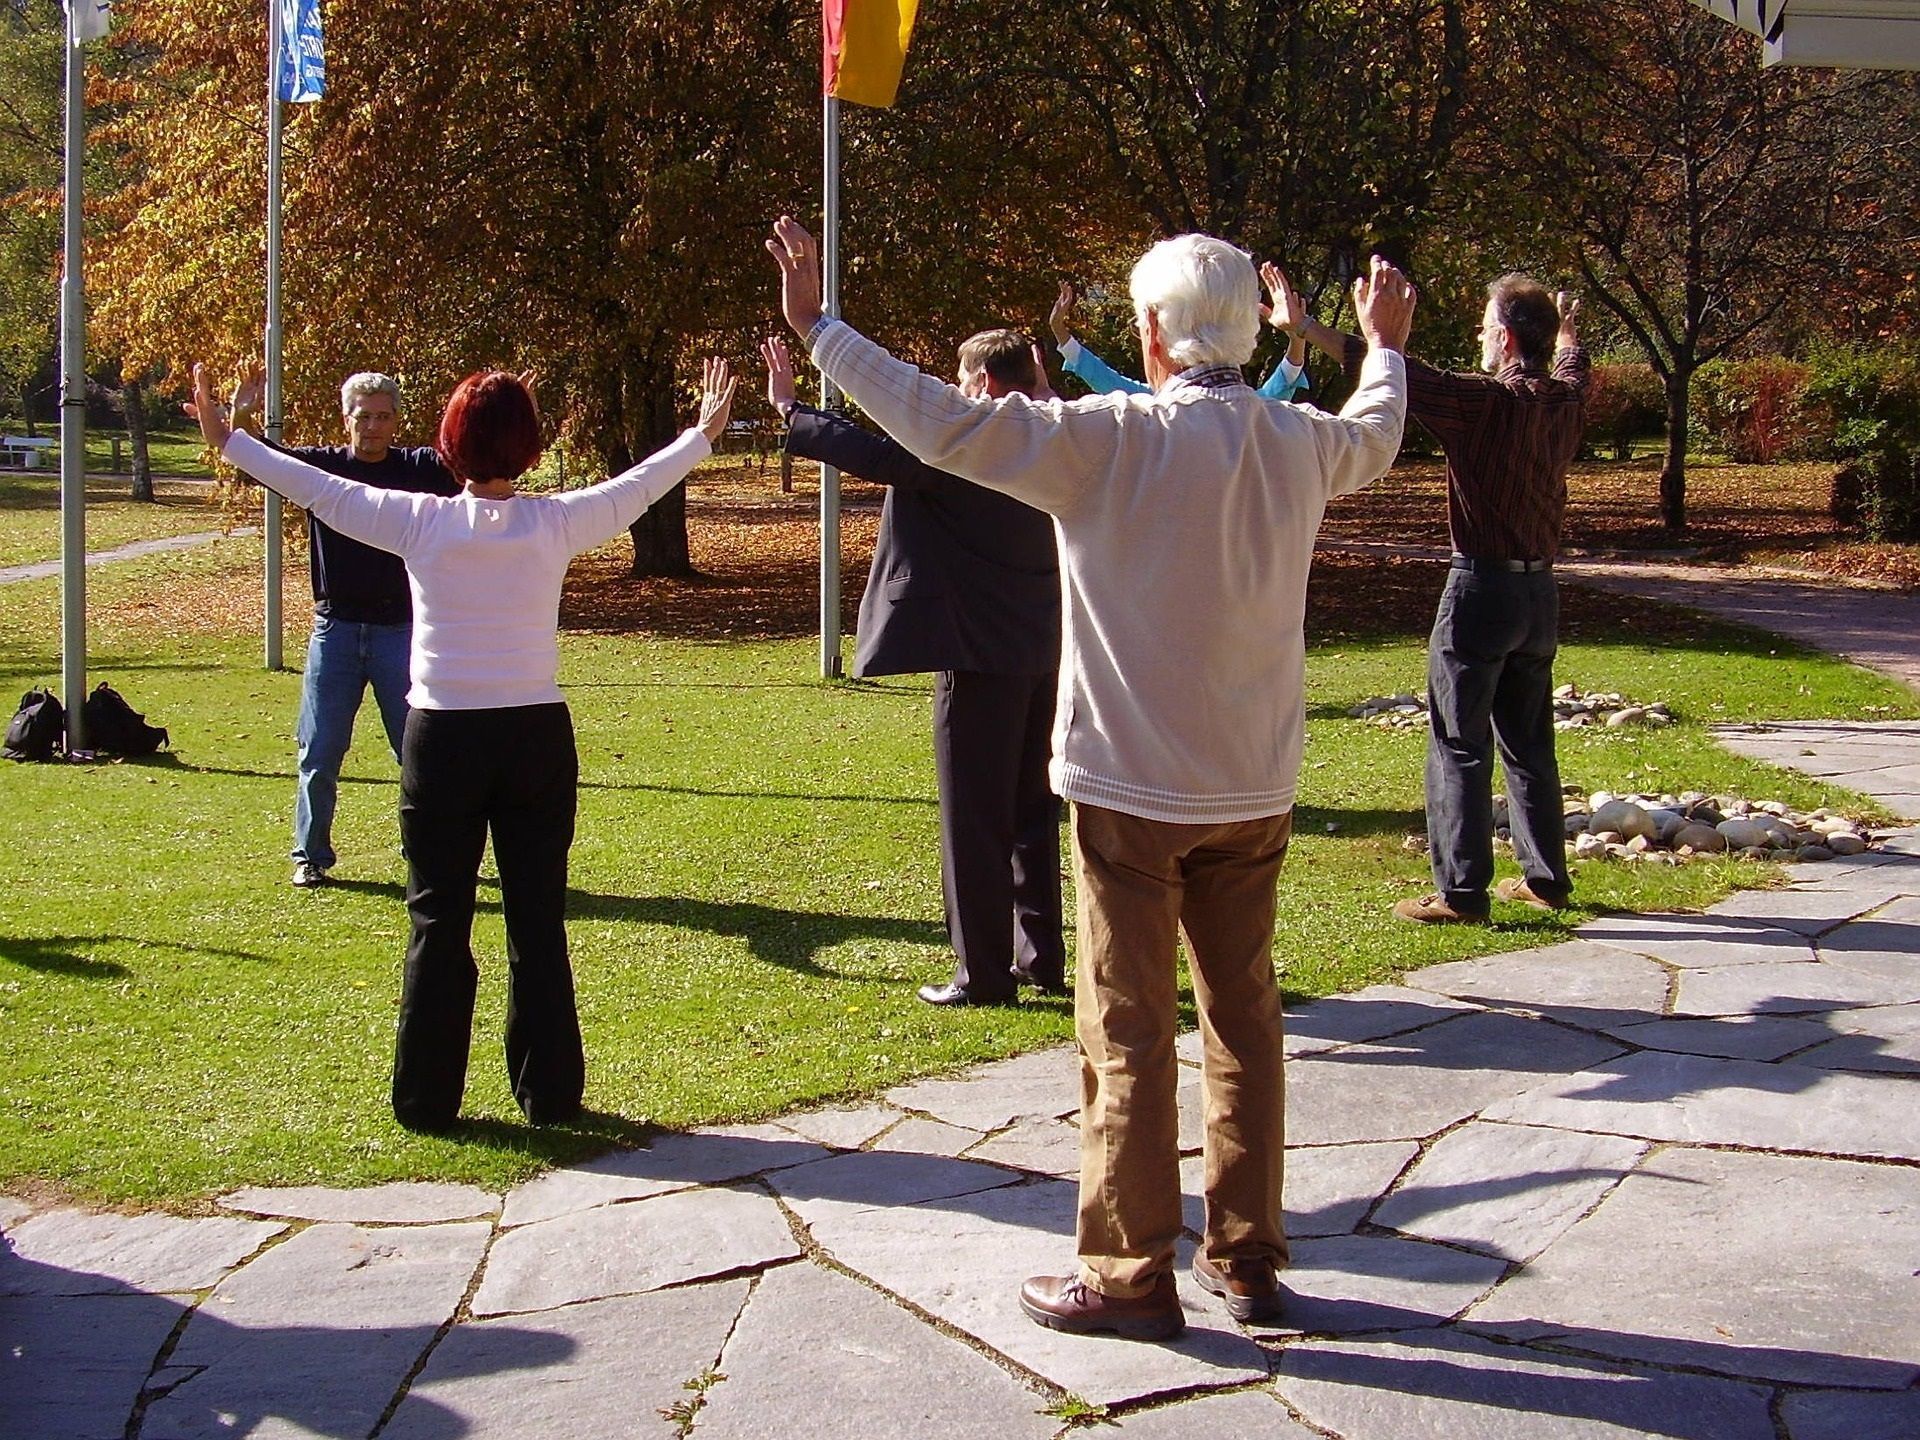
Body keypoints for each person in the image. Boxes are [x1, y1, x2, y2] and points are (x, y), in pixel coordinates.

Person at [768, 216, 1412, 1338]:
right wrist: (1384, 343)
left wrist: (821, 325)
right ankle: (1248, 1261)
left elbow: (943, 420)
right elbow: (1379, 426)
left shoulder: (1107, 438)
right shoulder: (1294, 441)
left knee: (1125, 1032)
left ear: (1153, 336)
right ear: (1247, 333)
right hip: (1252, 787)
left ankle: (1124, 1276)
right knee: (1245, 1020)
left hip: (1128, 792)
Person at [191, 358, 737, 1131]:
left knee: (438, 917)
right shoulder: (553, 521)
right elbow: (638, 487)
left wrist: (231, 442)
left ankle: (426, 1101)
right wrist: (700, 436)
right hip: (533, 739)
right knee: (536, 918)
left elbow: (319, 490)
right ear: (529, 445)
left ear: (449, 444)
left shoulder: (423, 520)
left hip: (443, 738)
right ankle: (549, 1092)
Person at [762, 331, 1066, 1008]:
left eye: (959, 379)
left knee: (973, 817)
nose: (951, 392)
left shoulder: (966, 441)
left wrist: (790, 409)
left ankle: (982, 975)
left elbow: (871, 451)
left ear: (984, 383)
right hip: (1042, 644)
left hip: (975, 647)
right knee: (1030, 809)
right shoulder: (1053, 433)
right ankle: (1038, 957)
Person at [1294, 273, 1588, 922]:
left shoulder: (1485, 403)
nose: (1480, 335)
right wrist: (1568, 325)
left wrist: (1313, 331)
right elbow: (1572, 359)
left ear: (1506, 340)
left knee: (1458, 740)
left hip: (1481, 590)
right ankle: (1545, 881)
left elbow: (1395, 369)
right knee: (1530, 741)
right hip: (1540, 594)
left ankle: (1460, 893)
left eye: (1486, 326)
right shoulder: (1565, 398)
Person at [234, 374, 460, 888]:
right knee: (320, 748)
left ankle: (426, 852)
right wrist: (241, 414)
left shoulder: (419, 468)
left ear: (396, 421)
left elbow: (479, 458)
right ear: (347, 418)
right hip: (335, 628)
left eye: (383, 416)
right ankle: (310, 855)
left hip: (400, 631)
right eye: (364, 416)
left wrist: (512, 409)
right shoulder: (325, 468)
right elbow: (256, 458)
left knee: (417, 749)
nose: (373, 426)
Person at [1048, 275, 1311, 401]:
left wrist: (1060, 331)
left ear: (1155, 336)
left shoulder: (1152, 405)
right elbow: (1280, 388)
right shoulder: (1257, 414)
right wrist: (1299, 335)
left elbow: (1101, 377)